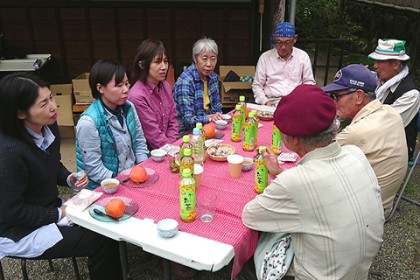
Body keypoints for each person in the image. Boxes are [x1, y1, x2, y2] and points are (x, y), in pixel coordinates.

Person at [242, 85, 384, 279]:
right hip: (357, 270)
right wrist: (279, 173)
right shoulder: (355, 154)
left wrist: (283, 180)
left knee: (247, 259)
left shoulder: (297, 180)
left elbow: (251, 217)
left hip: (319, 275)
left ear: (292, 139)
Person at [0, 73, 122, 280]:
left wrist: (68, 177)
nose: (53, 107)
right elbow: (12, 212)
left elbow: (51, 164)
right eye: (43, 103)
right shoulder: (8, 152)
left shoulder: (48, 126)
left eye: (52, 98)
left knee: (106, 220)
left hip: (48, 208)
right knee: (99, 239)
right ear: (20, 113)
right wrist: (59, 213)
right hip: (19, 231)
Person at [322, 64, 408, 216]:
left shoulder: (356, 132)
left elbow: (315, 159)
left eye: (337, 96)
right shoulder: (389, 112)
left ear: (359, 96)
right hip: (384, 201)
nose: (333, 102)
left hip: (363, 211)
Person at [76, 59, 149, 190]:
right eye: (119, 85)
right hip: (106, 187)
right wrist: (121, 182)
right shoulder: (88, 123)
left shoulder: (129, 107)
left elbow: (139, 142)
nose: (126, 90)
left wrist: (142, 169)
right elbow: (94, 168)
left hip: (132, 179)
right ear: (100, 88)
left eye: (127, 84)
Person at [368, 38, 420, 163]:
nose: (375, 66)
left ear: (396, 64)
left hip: (393, 150)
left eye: (380, 62)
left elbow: (386, 125)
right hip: (374, 138)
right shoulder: (382, 82)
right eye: (375, 61)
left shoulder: (411, 94)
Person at [128, 39, 179, 150]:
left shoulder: (165, 86)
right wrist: (172, 149)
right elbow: (153, 135)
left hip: (170, 147)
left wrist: (173, 145)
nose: (164, 67)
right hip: (150, 153)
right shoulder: (137, 96)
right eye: (157, 62)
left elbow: (173, 120)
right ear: (142, 65)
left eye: (165, 61)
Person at [252, 22, 316, 106]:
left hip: (296, 102)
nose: (283, 47)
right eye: (279, 42)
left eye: (287, 42)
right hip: (271, 100)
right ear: (274, 39)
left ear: (294, 39)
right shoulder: (265, 58)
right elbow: (257, 85)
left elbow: (309, 84)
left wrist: (302, 100)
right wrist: (265, 101)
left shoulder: (303, 57)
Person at [174, 37, 223, 135]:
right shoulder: (185, 81)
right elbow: (187, 121)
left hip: (210, 127)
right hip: (187, 132)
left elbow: (217, 107)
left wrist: (218, 117)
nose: (209, 64)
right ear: (195, 58)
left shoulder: (213, 77)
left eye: (213, 59)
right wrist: (209, 118)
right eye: (204, 59)